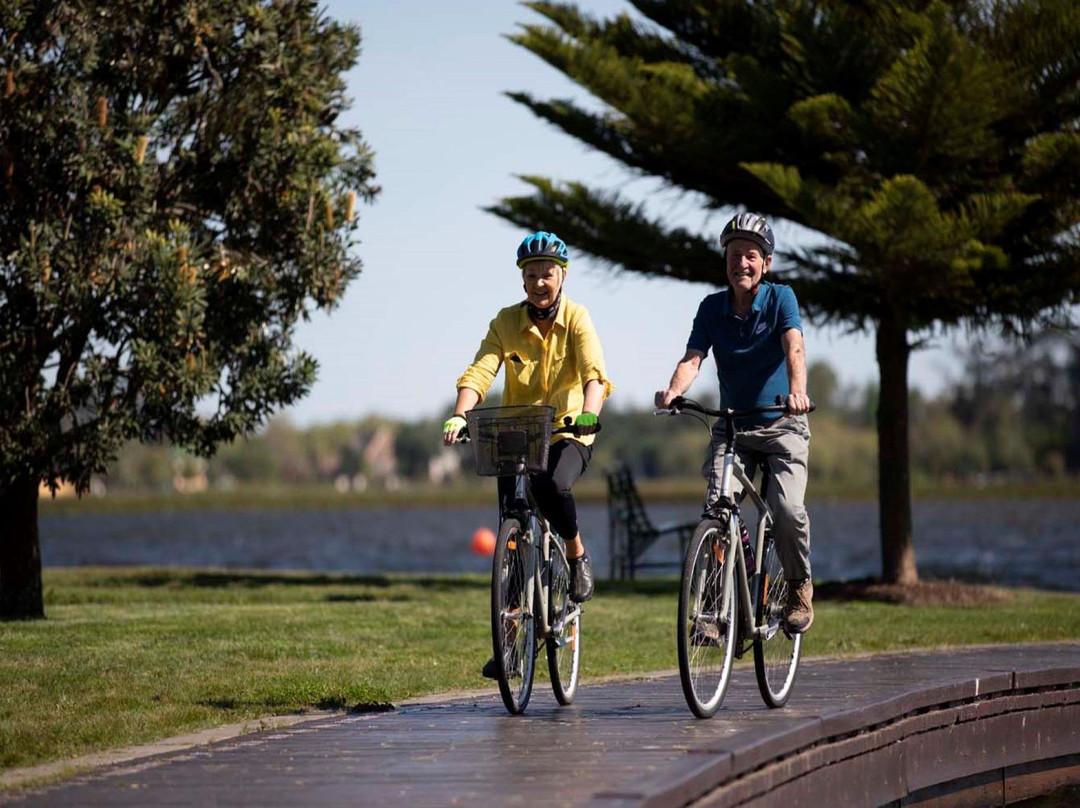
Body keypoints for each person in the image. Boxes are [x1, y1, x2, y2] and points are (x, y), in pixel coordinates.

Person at [443, 231, 614, 677]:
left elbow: (594, 373)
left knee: (552, 484)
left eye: (548, 274)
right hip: (517, 435)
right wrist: (460, 416)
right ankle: (510, 647)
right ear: (522, 280)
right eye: (532, 274)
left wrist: (590, 413)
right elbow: (480, 372)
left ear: (563, 276)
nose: (540, 282)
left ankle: (576, 555)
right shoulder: (505, 322)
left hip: (569, 430)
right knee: (512, 539)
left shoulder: (577, 318)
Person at [654, 212, 814, 633]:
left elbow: (794, 348)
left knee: (786, 510)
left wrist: (798, 393)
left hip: (783, 425)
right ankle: (713, 607)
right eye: (734, 255)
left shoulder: (781, 299)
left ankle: (798, 586)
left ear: (766, 263)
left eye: (750, 256)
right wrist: (673, 391)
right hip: (732, 428)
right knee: (717, 507)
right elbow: (693, 358)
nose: (741, 263)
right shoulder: (711, 308)